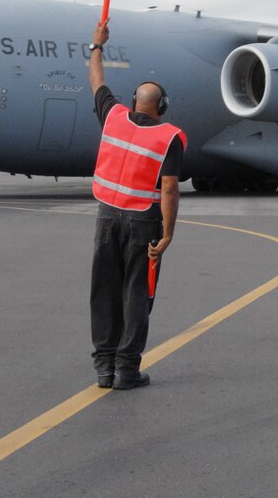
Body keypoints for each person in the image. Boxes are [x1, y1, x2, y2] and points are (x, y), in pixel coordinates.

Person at [87, 20, 185, 390]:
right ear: (162, 106)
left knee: (103, 291)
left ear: (133, 101)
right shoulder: (169, 136)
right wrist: (169, 234)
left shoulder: (112, 116)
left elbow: (97, 83)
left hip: (107, 218)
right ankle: (127, 369)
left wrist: (98, 45)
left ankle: (104, 368)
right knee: (136, 294)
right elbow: (170, 190)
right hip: (144, 223)